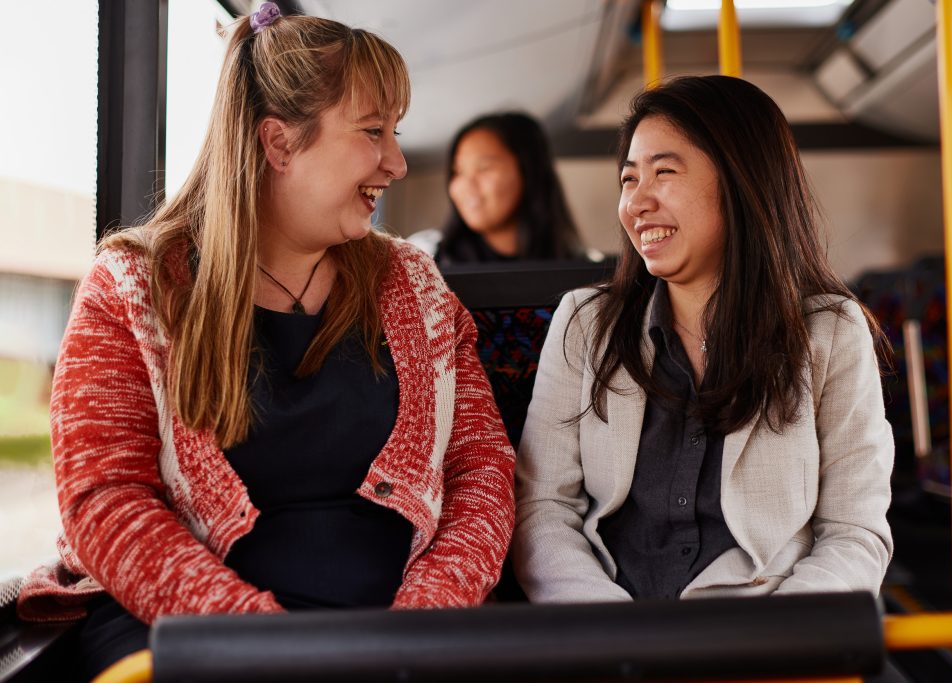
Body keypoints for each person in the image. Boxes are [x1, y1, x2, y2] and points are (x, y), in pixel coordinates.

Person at [17, 4, 515, 678]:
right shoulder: (132, 287)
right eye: (373, 132)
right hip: (191, 633)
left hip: (397, 639)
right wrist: (265, 644)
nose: (396, 163)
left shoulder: (416, 287)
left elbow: (481, 472)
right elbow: (104, 499)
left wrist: (420, 624)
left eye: (394, 133)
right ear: (278, 144)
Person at [514, 75, 894, 604]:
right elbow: (543, 510)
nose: (636, 202)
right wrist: (611, 629)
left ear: (741, 180)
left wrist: (778, 634)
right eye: (629, 179)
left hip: (767, 627)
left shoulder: (829, 330)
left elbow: (854, 533)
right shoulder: (586, 323)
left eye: (664, 172)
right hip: (611, 628)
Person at [409, 112, 585, 264]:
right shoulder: (422, 258)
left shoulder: (577, 268)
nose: (466, 185)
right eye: (458, 172)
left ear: (529, 171)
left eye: (484, 168)